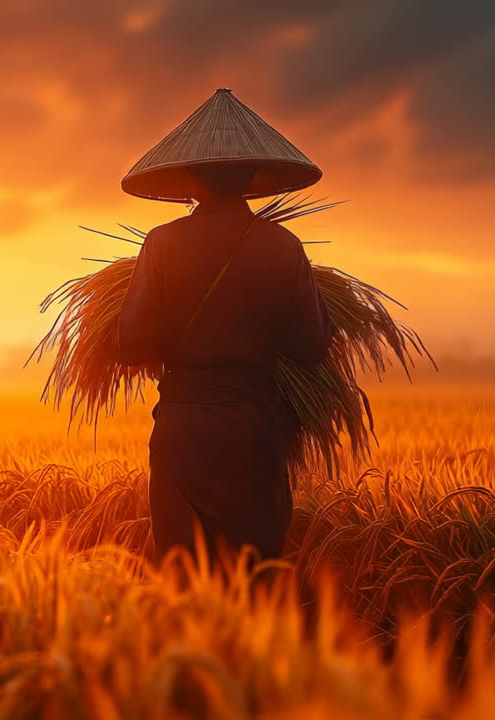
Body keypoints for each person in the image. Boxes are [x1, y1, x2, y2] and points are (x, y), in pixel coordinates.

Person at [117, 88, 336, 563]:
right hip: (253, 433)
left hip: (183, 429)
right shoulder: (283, 246)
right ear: (253, 175)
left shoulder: (162, 244)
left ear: (191, 178)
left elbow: (130, 342)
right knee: (253, 581)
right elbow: (312, 346)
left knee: (183, 586)